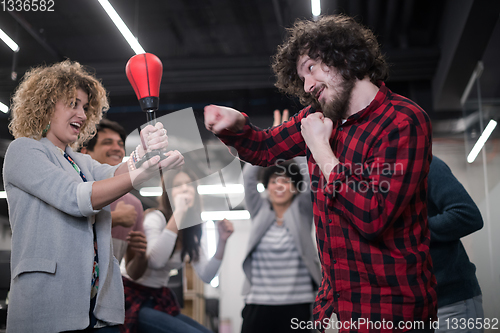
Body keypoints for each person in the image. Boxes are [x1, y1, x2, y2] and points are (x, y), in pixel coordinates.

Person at [204, 14, 437, 332]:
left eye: (311, 68)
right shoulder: (316, 117)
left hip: (392, 308)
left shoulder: (402, 120)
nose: (308, 86)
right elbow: (263, 148)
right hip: (336, 305)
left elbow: (373, 217)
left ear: (343, 56)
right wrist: (238, 125)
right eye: (301, 78)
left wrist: (321, 150)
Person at [3, 60, 184, 333]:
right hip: (46, 298)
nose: (82, 114)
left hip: (92, 302)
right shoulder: (24, 151)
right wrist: (140, 173)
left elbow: (116, 174)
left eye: (85, 107)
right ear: (46, 104)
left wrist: (144, 151)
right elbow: (75, 197)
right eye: (73, 103)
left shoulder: (80, 162)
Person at [120, 167, 234, 333]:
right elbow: (156, 261)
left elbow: (207, 275)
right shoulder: (155, 218)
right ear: (168, 194)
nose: (185, 189)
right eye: (178, 185)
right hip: (132, 297)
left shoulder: (191, 230)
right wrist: (179, 211)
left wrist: (222, 242)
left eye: (189, 185)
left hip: (157, 298)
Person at [240, 109, 321, 333]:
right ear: (266, 187)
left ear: (295, 189)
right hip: (259, 303)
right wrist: (270, 139)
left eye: (286, 181)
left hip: (298, 304)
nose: (280, 185)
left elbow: (306, 172)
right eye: (274, 181)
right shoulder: (259, 211)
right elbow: (248, 178)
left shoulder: (302, 211)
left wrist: (286, 141)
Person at [81, 119, 148, 280]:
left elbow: (134, 273)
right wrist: (115, 218)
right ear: (85, 154)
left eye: (120, 143)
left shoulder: (134, 205)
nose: (117, 148)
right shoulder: (75, 193)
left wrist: (141, 255)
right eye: (107, 142)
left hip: (109, 294)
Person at [427, 156, 484, 333]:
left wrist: (411, 231)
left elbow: (467, 214)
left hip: (451, 303)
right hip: (413, 308)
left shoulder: (427, 165)